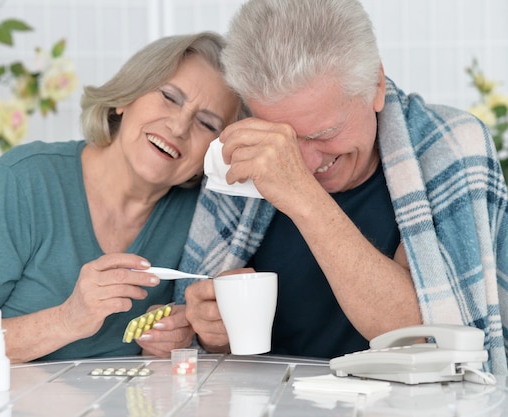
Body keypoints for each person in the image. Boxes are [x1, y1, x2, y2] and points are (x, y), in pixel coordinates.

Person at [177, 0, 508, 374]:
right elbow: (207, 350)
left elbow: (431, 339)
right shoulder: (241, 154)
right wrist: (212, 333)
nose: (304, 162)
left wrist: (302, 195)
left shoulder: (447, 149)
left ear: (376, 86)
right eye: (281, 139)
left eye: (325, 133)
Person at [0, 31, 244, 368]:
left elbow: (203, 345)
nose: (179, 126)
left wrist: (177, 338)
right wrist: (67, 319)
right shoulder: (21, 184)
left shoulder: (206, 222)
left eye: (206, 123)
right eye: (169, 96)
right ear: (126, 98)